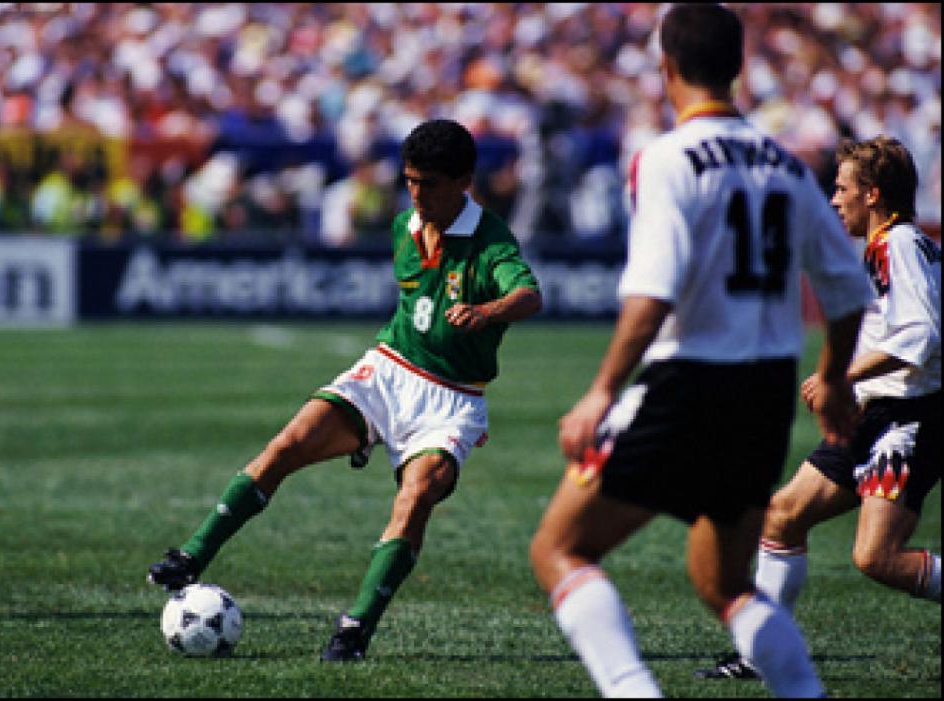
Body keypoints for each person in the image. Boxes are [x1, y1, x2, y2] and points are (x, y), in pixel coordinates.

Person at [527, 4, 877, 697]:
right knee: (724, 584)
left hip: (687, 384)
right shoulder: (785, 162)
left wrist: (601, 389)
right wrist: (834, 380)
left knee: (560, 548)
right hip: (765, 394)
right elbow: (845, 289)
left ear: (666, 68)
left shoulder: (667, 157)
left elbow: (652, 292)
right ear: (739, 67)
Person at [147, 118, 542, 661]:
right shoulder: (405, 225)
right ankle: (192, 555)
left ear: (463, 181)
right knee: (288, 443)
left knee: (416, 498)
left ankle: (354, 630)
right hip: (388, 371)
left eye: (428, 182)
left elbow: (529, 295)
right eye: (410, 180)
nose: (416, 193)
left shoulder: (491, 238)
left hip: (451, 399)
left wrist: (487, 311)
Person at [695, 136, 941, 681]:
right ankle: (762, 654)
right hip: (877, 412)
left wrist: (838, 375)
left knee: (877, 558)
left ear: (871, 194)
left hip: (910, 416)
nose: (833, 200)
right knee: (783, 516)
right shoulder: (892, 244)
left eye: (841, 188)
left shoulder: (898, 243)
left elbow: (921, 336)